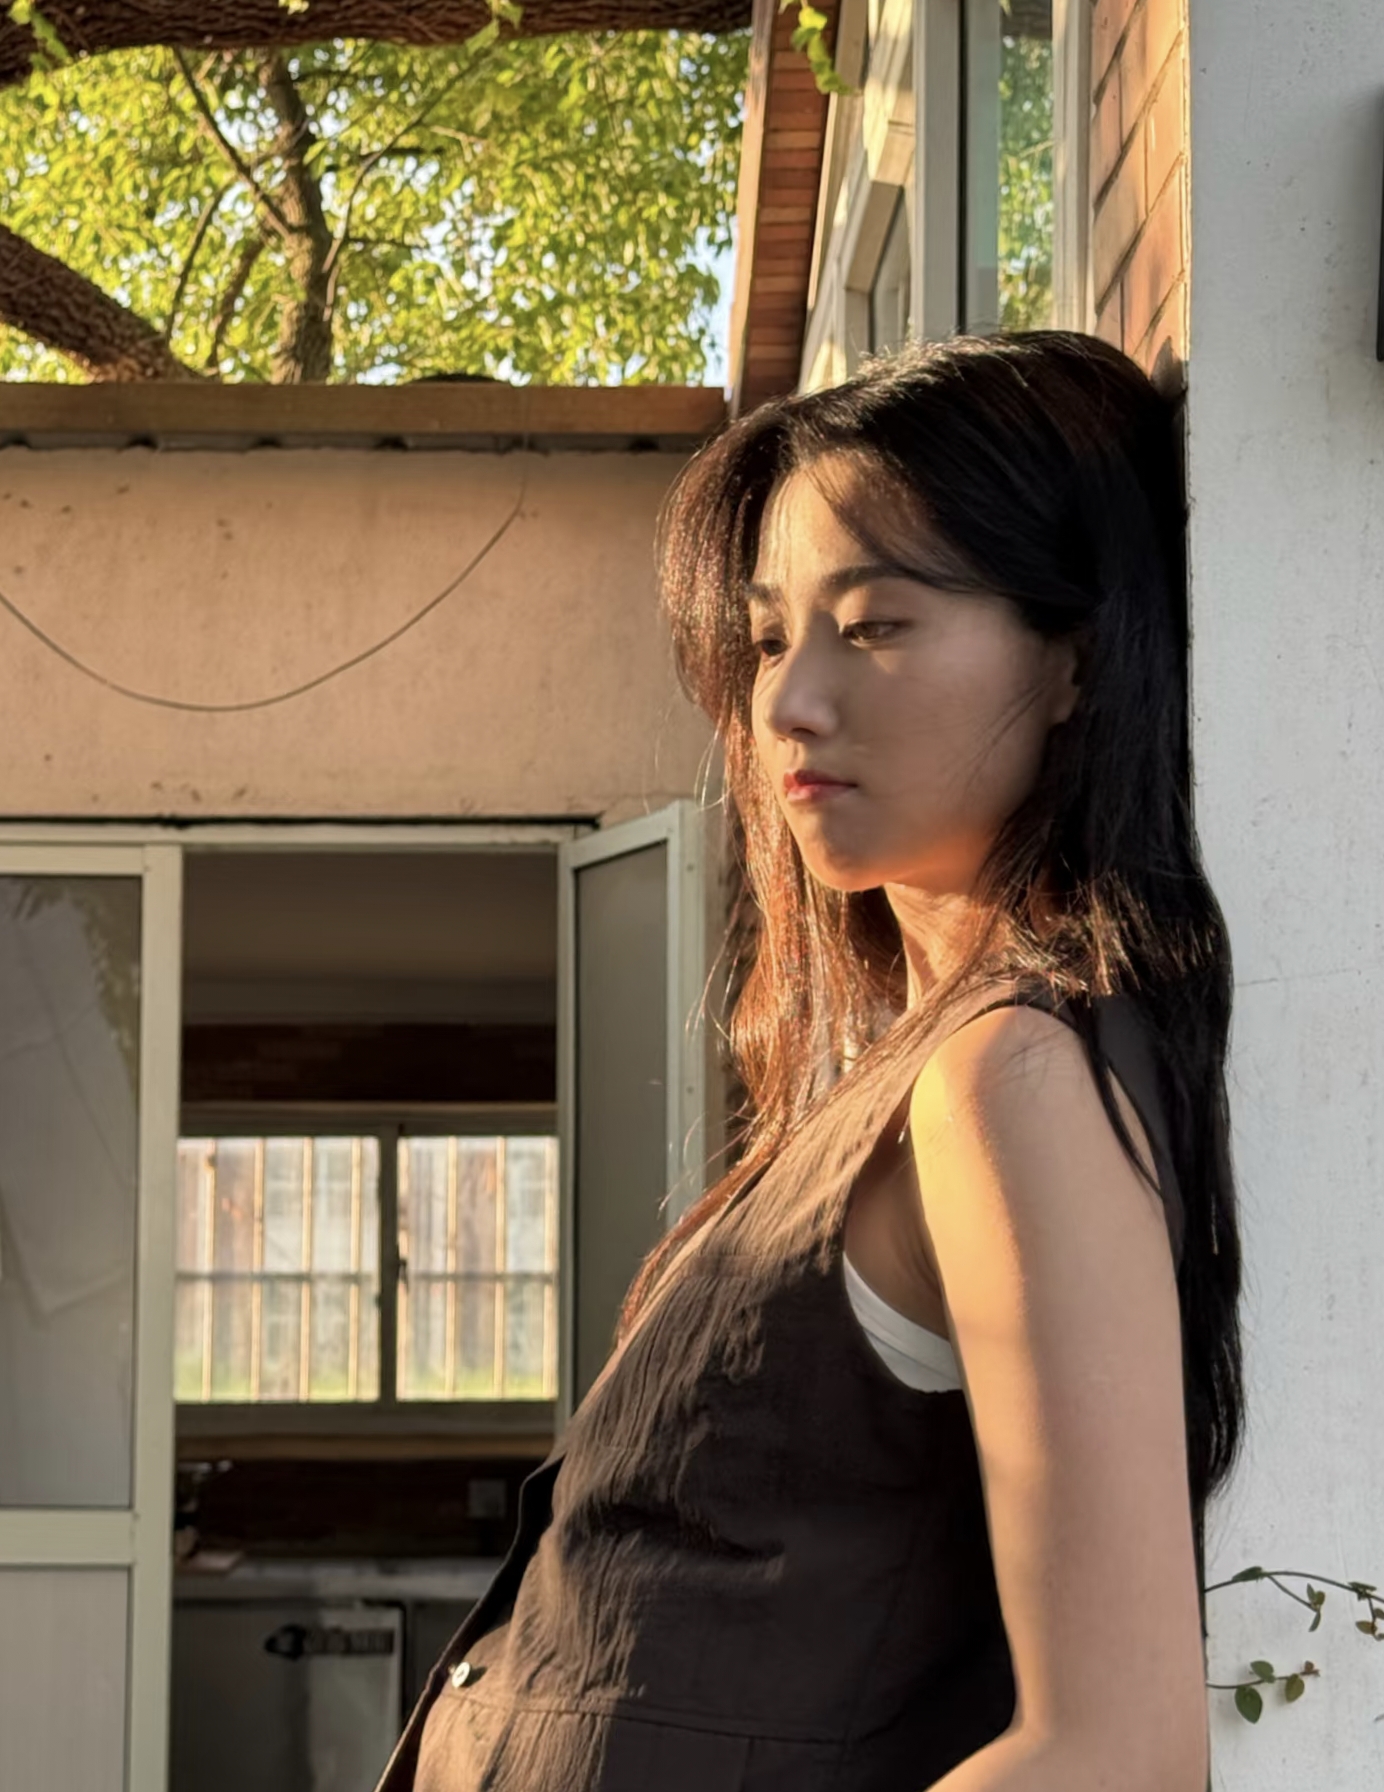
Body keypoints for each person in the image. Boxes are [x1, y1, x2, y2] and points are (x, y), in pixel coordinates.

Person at [376, 331, 1245, 1792]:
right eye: (772, 637)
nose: (785, 701)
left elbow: (1116, 1750)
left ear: (1076, 659)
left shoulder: (1008, 1081)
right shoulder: (902, 1070)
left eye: (878, 623)